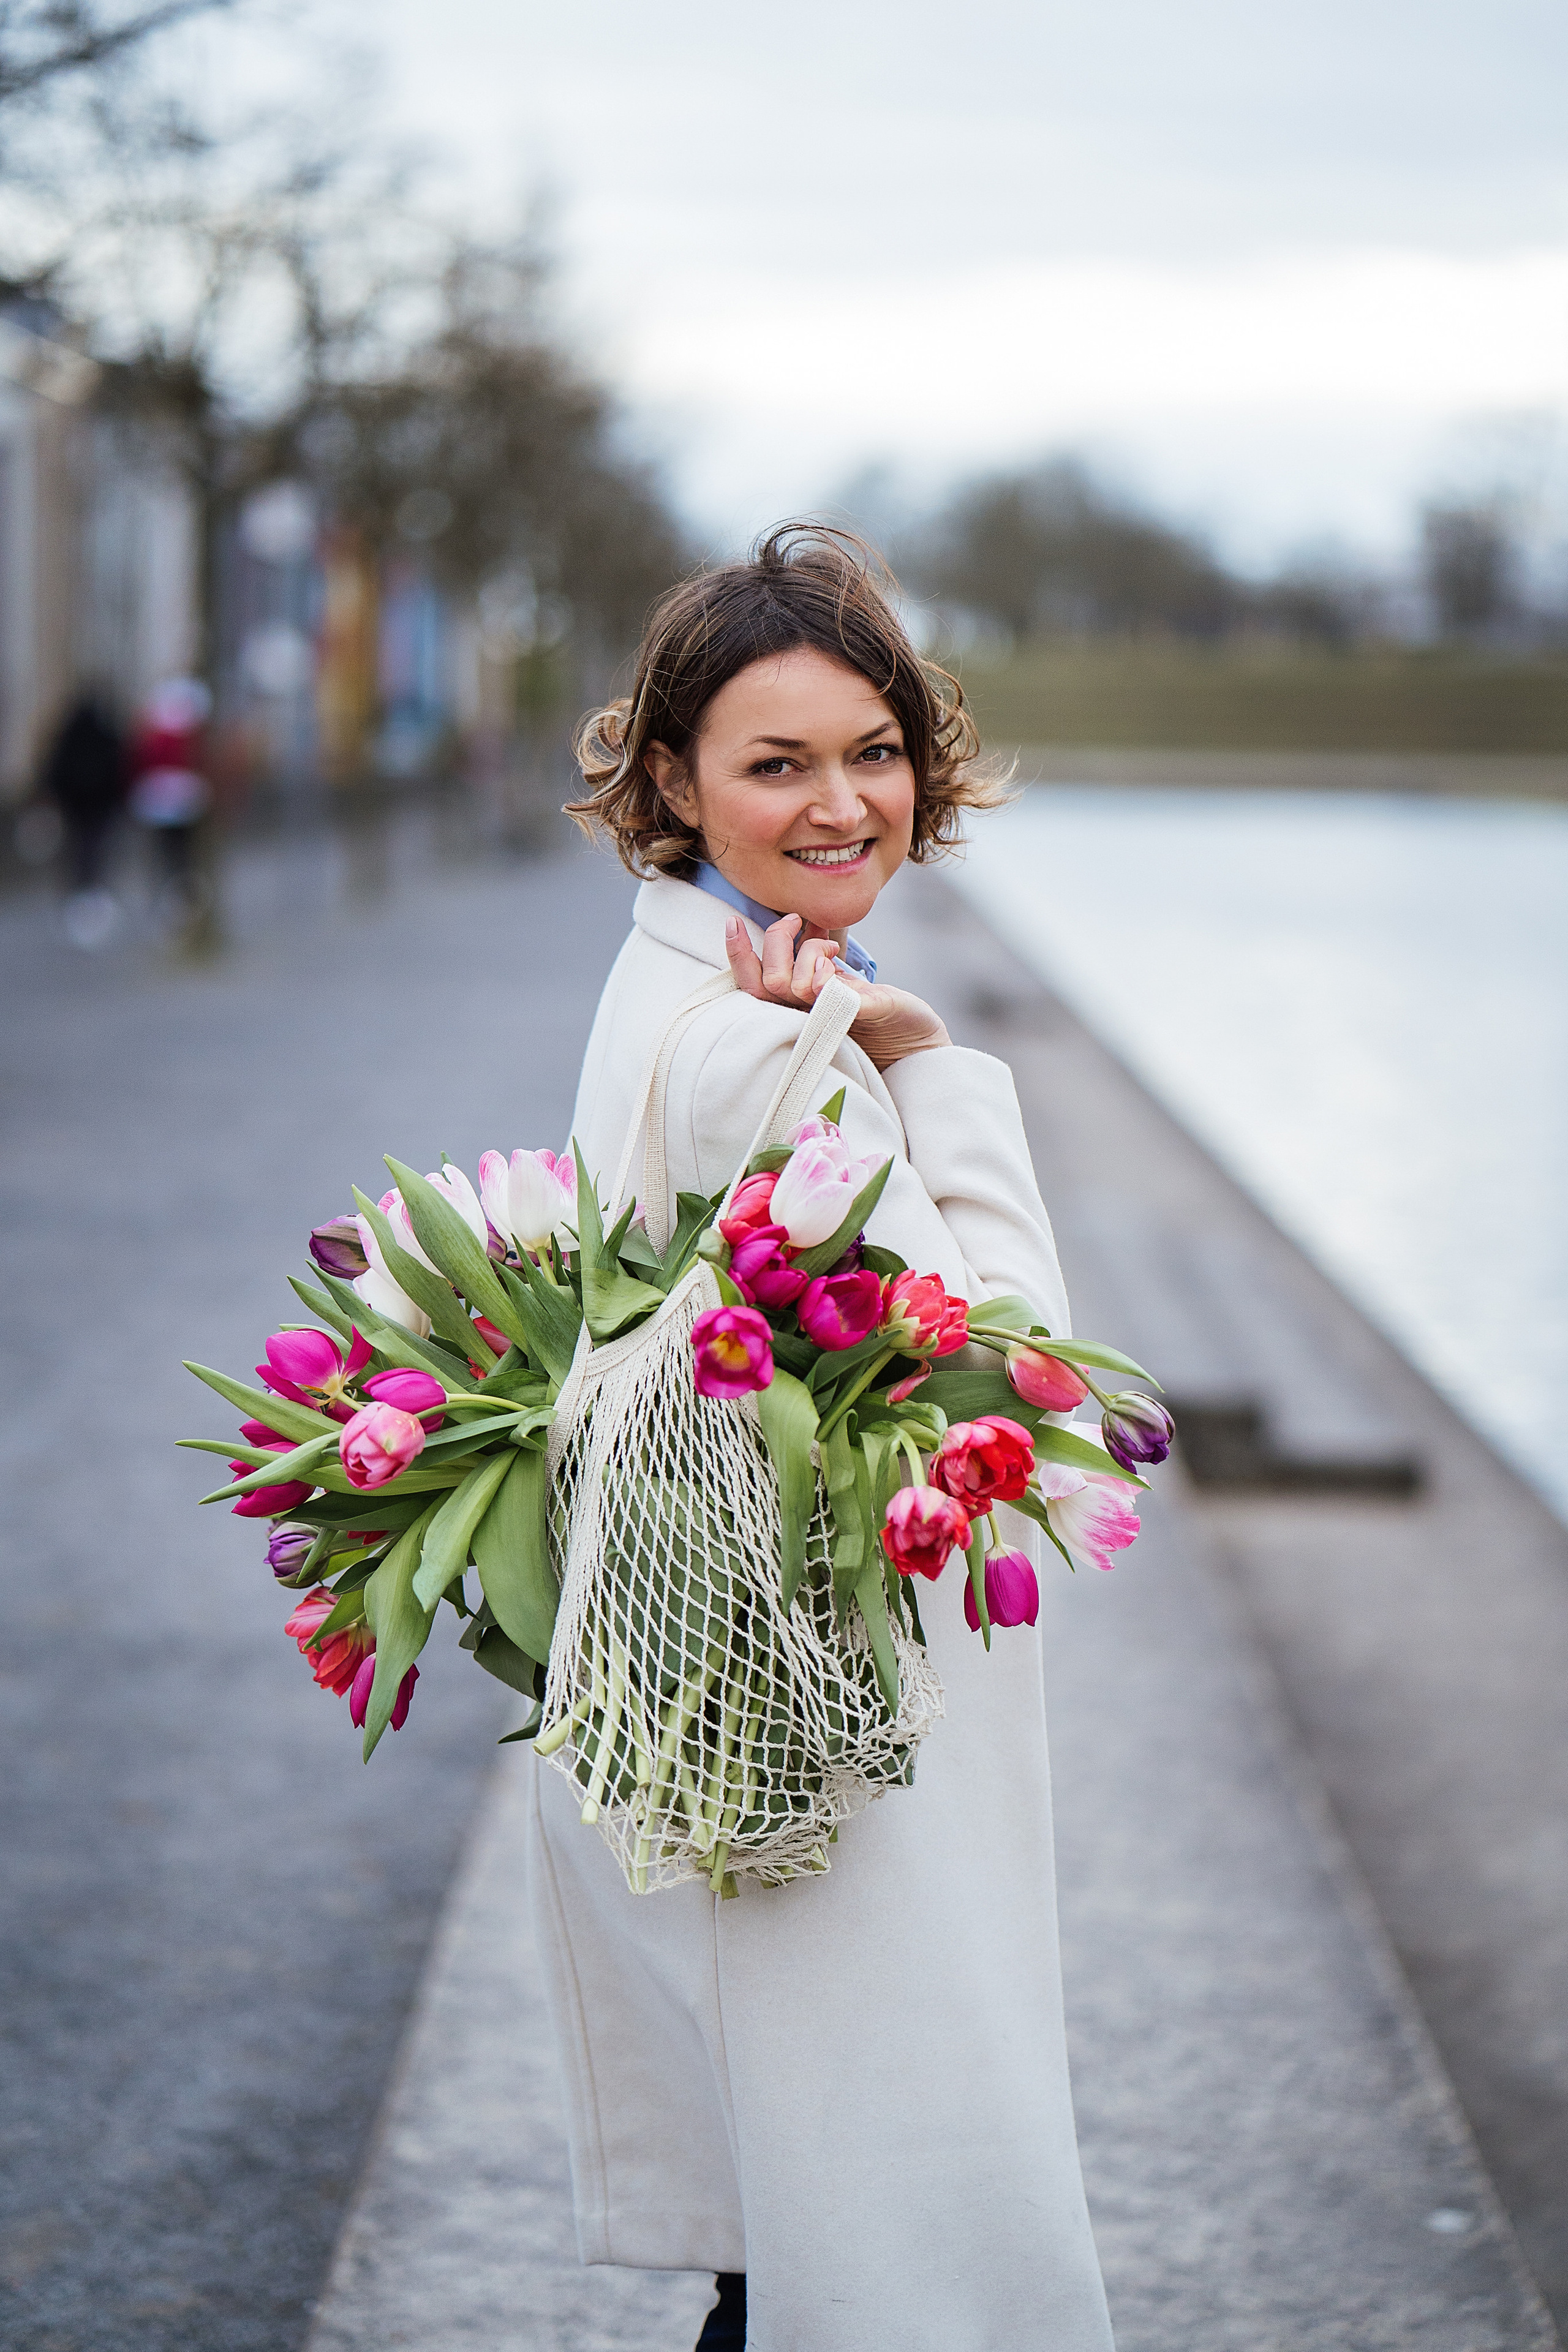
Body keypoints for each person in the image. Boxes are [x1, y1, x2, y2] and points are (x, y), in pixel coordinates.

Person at [546, 524, 1114, 2352]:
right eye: (774, 760)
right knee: (882, 2267)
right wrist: (933, 1056)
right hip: (840, 1752)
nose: (842, 799)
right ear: (669, 777)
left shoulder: (693, 988)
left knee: (794, 2260)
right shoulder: (766, 1051)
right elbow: (1037, 1407)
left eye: (871, 748)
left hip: (757, 1714)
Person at [39, 689, 128, 949]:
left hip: (77, 805)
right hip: (98, 805)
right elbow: (118, 765)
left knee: (80, 849)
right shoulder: (102, 733)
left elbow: (55, 766)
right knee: (94, 847)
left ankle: (82, 891)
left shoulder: (72, 733)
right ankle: (91, 891)